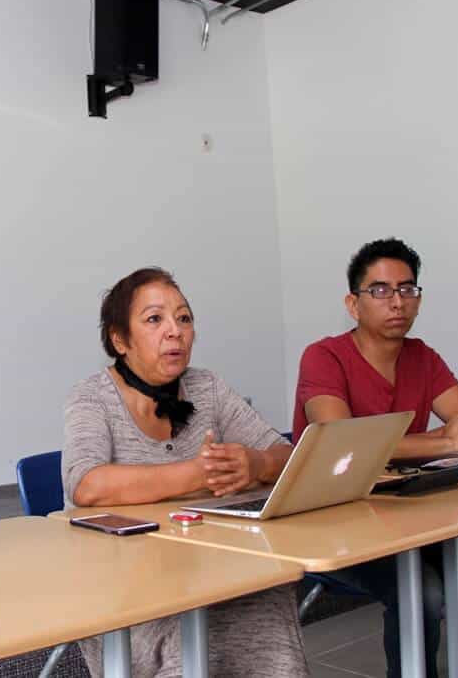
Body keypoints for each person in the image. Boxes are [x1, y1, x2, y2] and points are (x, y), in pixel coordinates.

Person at [293, 237, 458, 678]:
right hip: (340, 524)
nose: (396, 301)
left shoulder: (421, 356)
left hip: (418, 516)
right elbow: (340, 441)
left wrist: (414, 443)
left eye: (407, 289)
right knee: (424, 592)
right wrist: (439, 442)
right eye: (379, 290)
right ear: (353, 303)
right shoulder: (324, 357)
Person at [63, 267, 308, 678]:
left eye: (184, 318)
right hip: (126, 595)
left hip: (210, 570)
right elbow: (87, 485)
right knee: (189, 625)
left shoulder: (207, 387)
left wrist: (257, 463)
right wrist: (199, 473)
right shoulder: (91, 398)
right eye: (154, 319)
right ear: (119, 339)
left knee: (268, 598)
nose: (174, 331)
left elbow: (287, 454)